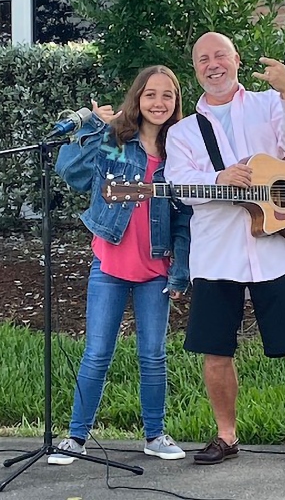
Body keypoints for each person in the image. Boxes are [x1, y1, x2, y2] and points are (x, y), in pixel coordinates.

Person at [164, 32, 285, 476]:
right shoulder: (183, 132)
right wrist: (219, 179)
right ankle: (226, 436)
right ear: (195, 69)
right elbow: (178, 185)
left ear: (235, 59)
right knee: (215, 352)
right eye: (202, 59)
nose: (212, 64)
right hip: (217, 254)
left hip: (278, 249)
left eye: (220, 55)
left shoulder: (267, 104)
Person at [48, 65, 192, 465]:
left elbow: (183, 219)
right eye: (151, 94)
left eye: (168, 95)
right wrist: (97, 125)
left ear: (176, 102)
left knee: (153, 354)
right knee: (96, 352)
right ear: (138, 99)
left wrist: (180, 270)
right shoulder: (117, 142)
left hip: (155, 271)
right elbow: (72, 172)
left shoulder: (179, 154)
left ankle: (155, 434)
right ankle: (75, 437)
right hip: (109, 264)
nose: (159, 102)